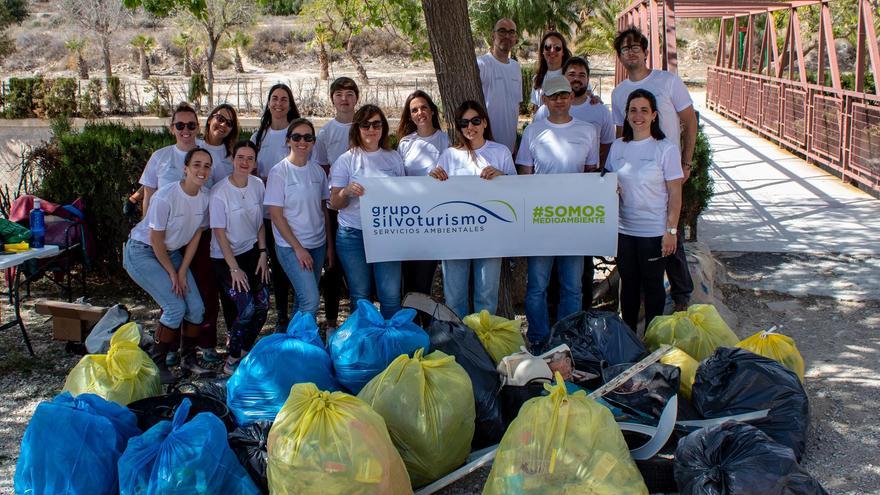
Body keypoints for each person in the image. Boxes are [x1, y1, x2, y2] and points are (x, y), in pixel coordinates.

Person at [612, 27, 697, 312]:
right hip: (636, 170)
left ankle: (682, 295)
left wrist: (686, 161)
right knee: (646, 245)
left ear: (645, 51)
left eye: (636, 46)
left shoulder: (667, 81)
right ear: (620, 55)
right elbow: (618, 131)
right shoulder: (619, 93)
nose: (632, 51)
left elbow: (689, 120)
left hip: (666, 166)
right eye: (625, 48)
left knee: (668, 232)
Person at [516, 76, 598, 351]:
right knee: (537, 285)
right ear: (545, 100)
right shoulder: (532, 131)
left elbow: (591, 176)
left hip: (574, 222)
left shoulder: (587, 131)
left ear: (572, 97)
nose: (560, 99)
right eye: (553, 96)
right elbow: (524, 177)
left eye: (564, 94)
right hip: (541, 222)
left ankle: (567, 338)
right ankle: (539, 338)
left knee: (572, 286)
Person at [138, 102, 219, 366]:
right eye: (180, 125)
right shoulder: (160, 157)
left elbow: (206, 198)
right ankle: (167, 351)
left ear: (198, 127)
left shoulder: (206, 157)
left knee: (200, 295)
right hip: (161, 238)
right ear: (172, 128)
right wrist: (150, 230)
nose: (186, 130)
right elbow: (148, 195)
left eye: (191, 125)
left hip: (191, 236)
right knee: (172, 297)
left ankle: (199, 349)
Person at [533, 55, 615, 310]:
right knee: (542, 281)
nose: (561, 99)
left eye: (582, 74)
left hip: (577, 211)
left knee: (576, 277)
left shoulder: (596, 110)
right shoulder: (538, 123)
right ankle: (542, 332)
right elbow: (527, 171)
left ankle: (576, 325)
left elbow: (600, 156)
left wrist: (601, 187)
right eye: (572, 74)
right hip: (543, 212)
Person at [125, 147, 213, 383]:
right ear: (185, 169)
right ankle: (157, 362)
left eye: (206, 166)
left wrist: (182, 271)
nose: (201, 170)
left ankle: (188, 359)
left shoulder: (205, 198)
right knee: (175, 307)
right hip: (143, 251)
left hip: (171, 252)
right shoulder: (166, 195)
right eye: (196, 164)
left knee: (195, 307)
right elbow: (155, 239)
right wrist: (173, 273)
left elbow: (195, 236)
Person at [605, 89, 684, 333]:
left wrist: (670, 230)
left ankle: (652, 338)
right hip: (624, 230)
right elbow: (607, 181)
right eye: (633, 110)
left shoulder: (665, 149)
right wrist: (611, 185)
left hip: (653, 232)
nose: (638, 115)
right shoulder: (617, 147)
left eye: (644, 110)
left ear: (654, 116)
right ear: (626, 115)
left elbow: (675, 195)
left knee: (652, 287)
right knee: (628, 286)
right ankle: (628, 339)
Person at [429, 100, 515, 319]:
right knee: (454, 297)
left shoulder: (501, 152)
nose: (470, 127)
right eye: (464, 122)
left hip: (491, 236)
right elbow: (435, 194)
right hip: (455, 236)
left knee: (486, 297)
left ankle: (484, 346)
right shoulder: (449, 155)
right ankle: (460, 344)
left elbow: (517, 192)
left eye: (475, 121)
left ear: (485, 122)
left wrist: (502, 178)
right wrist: (433, 179)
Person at [329, 105, 404, 319]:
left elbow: (405, 196)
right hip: (353, 234)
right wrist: (346, 191)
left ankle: (392, 346)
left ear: (383, 127)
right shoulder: (346, 160)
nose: (371, 129)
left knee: (389, 295)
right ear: (357, 129)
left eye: (377, 124)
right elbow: (334, 203)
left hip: (387, 234)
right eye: (366, 125)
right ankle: (362, 343)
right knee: (360, 295)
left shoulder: (393, 158)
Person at [209, 141, 270, 375]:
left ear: (255, 162)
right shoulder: (219, 192)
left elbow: (259, 225)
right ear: (232, 160)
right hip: (225, 259)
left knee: (263, 305)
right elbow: (219, 233)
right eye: (240, 157)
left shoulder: (257, 186)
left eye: (250, 158)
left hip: (252, 253)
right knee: (246, 309)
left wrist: (263, 253)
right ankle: (231, 358)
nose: (245, 163)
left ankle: (245, 351)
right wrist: (234, 268)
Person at [265, 118, 332, 321]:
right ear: (288, 141)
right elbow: (275, 215)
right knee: (311, 300)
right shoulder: (279, 172)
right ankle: (298, 342)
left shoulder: (318, 171)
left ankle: (295, 346)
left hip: (317, 244)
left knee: (303, 300)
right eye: (296, 137)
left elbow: (323, 209)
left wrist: (329, 246)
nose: (302, 141)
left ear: (313, 142)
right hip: (290, 246)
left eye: (308, 137)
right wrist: (298, 248)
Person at [251, 84, 301, 331]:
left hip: (294, 212)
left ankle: (299, 313)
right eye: (274, 99)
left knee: (295, 264)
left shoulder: (297, 135)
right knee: (276, 265)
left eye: (284, 99)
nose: (279, 103)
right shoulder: (258, 137)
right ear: (268, 103)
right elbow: (249, 173)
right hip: (268, 214)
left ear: (290, 104)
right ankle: (282, 316)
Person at [313, 76, 359, 333]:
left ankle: (359, 320)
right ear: (332, 99)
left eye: (349, 94)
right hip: (336, 206)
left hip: (363, 205)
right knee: (332, 265)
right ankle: (331, 322)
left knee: (360, 268)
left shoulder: (366, 125)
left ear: (356, 98)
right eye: (339, 94)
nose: (344, 99)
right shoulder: (326, 132)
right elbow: (323, 168)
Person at [396, 90, 448, 296]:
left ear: (433, 111)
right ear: (410, 116)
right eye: (414, 110)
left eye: (424, 107)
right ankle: (410, 324)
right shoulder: (405, 143)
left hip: (436, 217)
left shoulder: (445, 140)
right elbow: (399, 180)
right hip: (410, 218)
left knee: (424, 279)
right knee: (407, 278)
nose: (420, 113)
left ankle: (425, 323)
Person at [533, 56, 615, 167]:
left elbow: (607, 146)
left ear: (588, 79)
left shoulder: (601, 111)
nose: (576, 79)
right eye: (571, 74)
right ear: (563, 77)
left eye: (582, 75)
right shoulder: (545, 111)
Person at [477, 18, 522, 154]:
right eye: (502, 31)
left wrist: (513, 142)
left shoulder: (516, 67)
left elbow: (515, 106)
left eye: (511, 32)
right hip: (486, 146)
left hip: (509, 148)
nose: (507, 36)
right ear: (493, 36)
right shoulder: (482, 64)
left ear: (515, 38)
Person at [530, 31, 572, 110]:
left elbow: (585, 98)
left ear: (563, 52)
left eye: (557, 48)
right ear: (543, 51)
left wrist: (595, 98)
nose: (552, 50)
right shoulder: (537, 79)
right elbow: (536, 109)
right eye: (547, 47)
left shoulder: (571, 76)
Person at [202, 104, 240, 183]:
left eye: (229, 123)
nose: (223, 125)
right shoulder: (194, 146)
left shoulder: (234, 153)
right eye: (220, 118)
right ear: (209, 120)